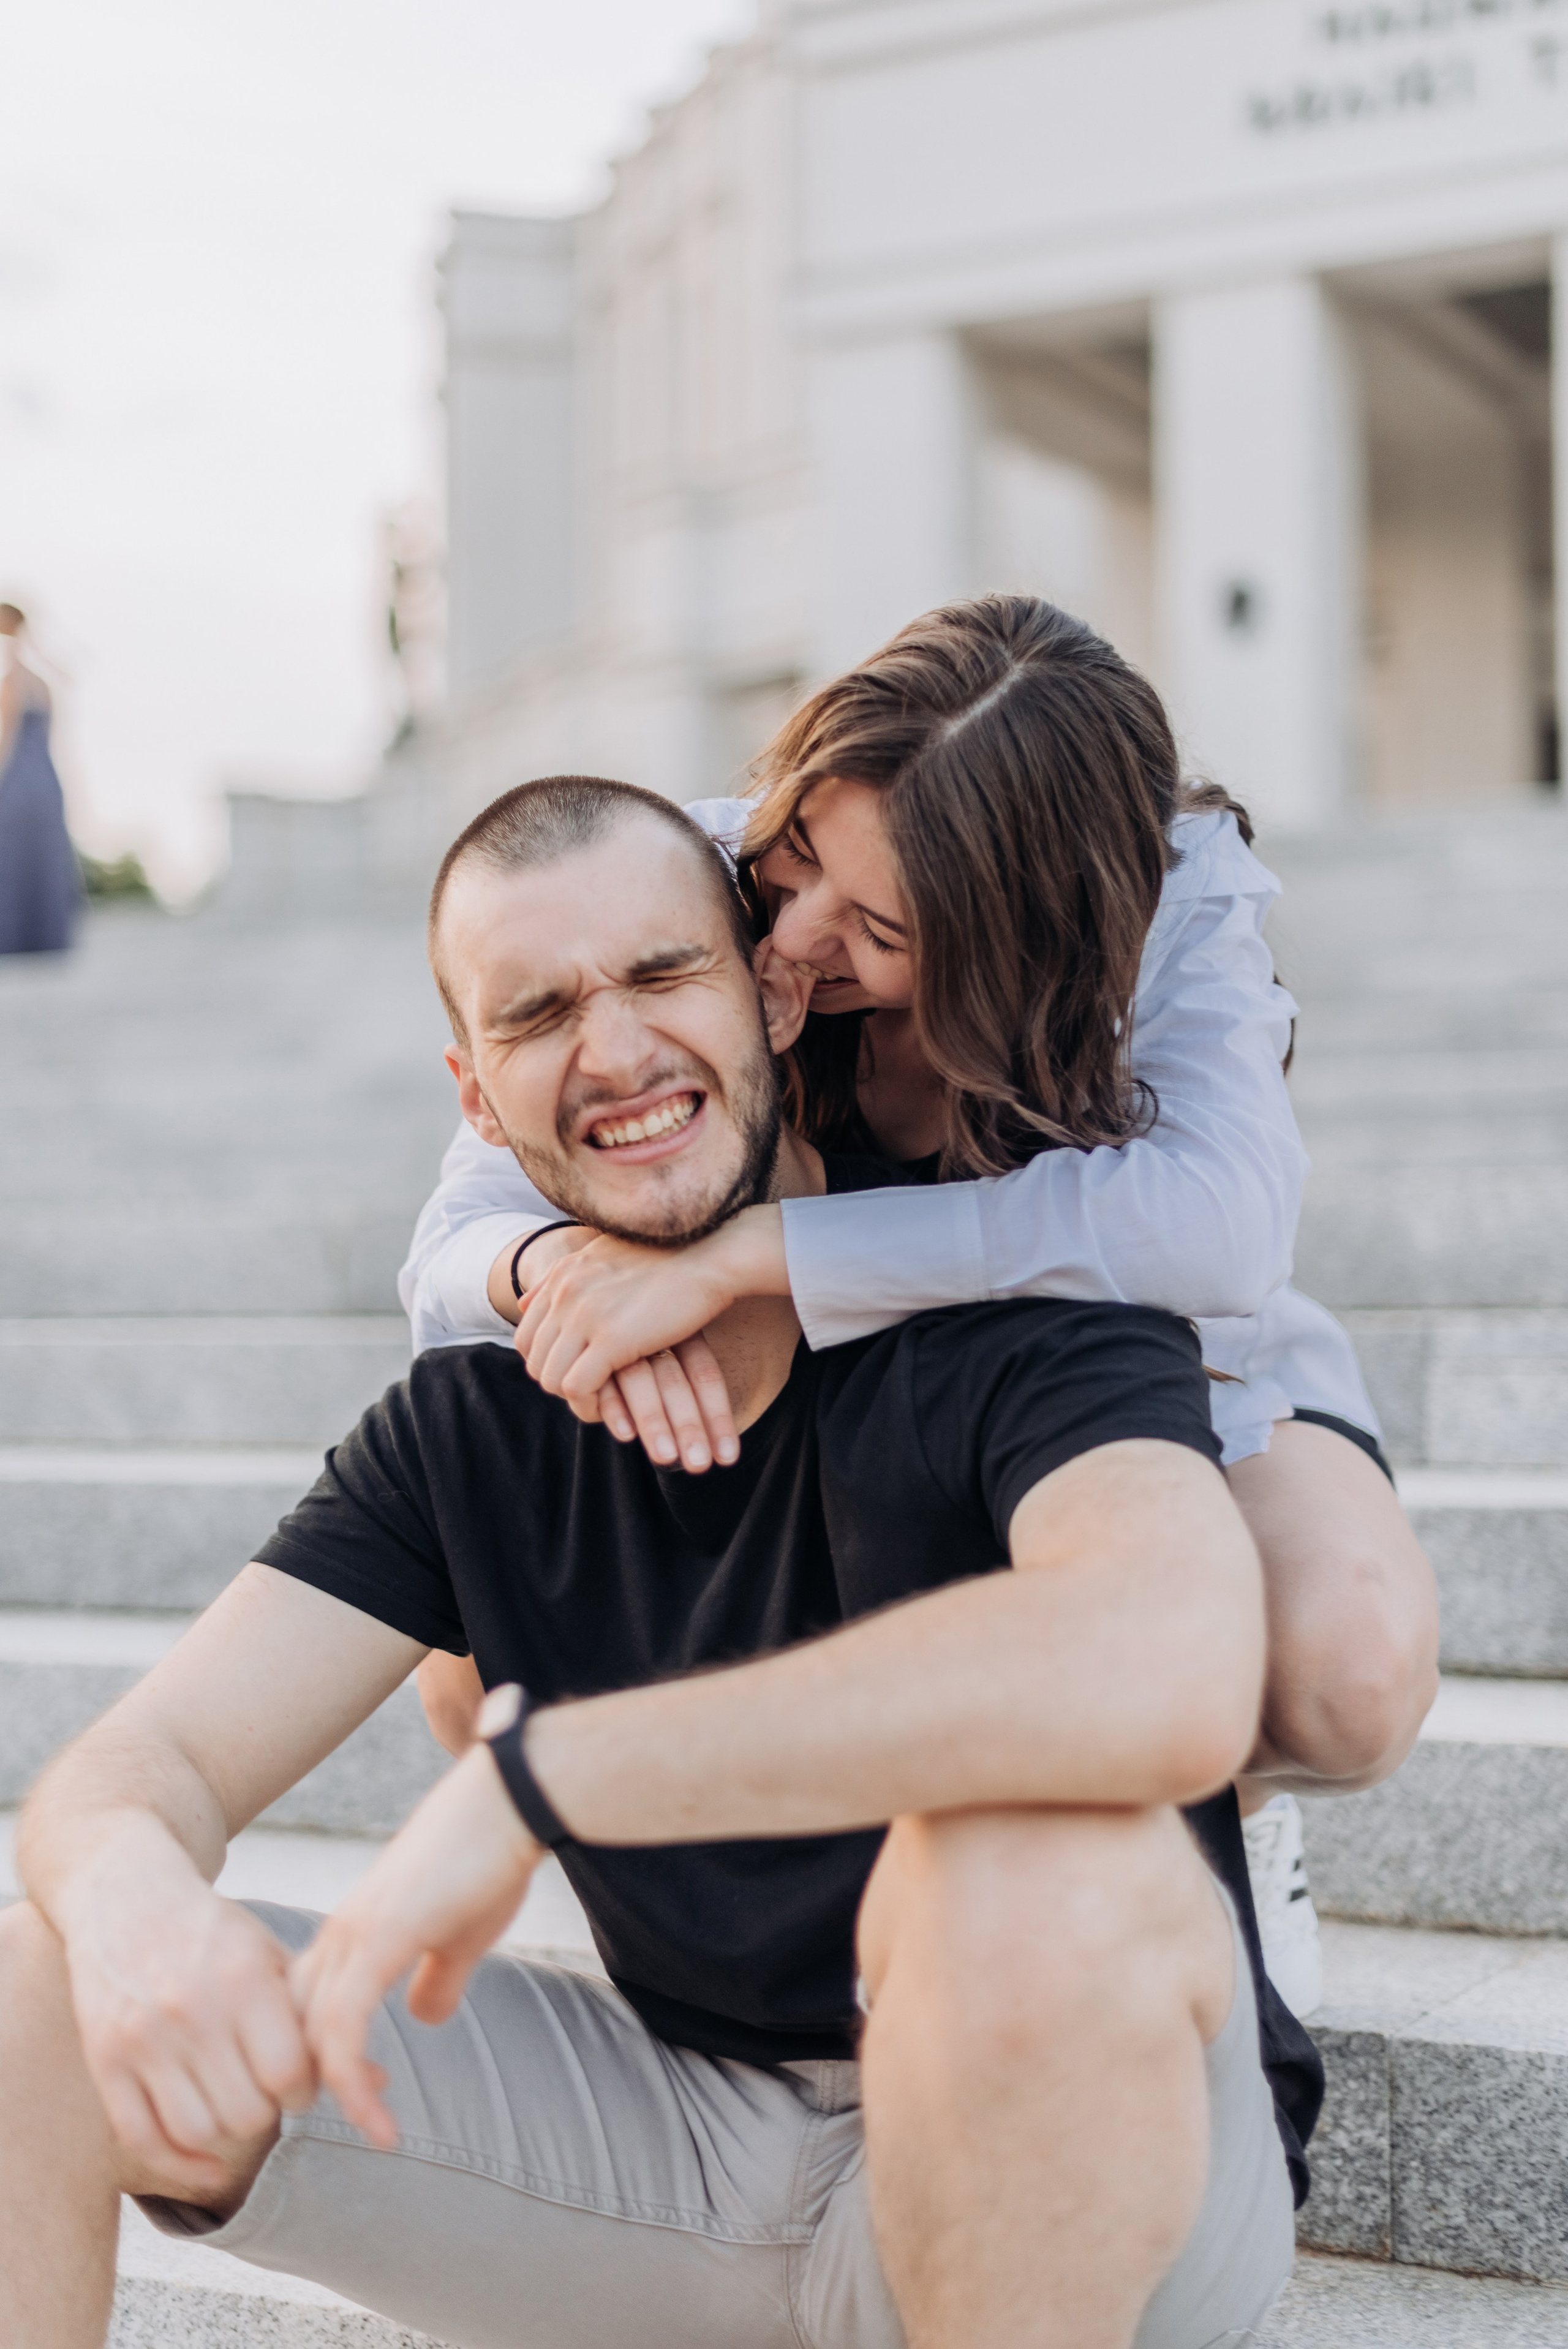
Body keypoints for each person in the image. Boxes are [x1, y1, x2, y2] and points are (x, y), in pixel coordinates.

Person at [0, 776, 1318, 2349]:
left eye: (657, 974)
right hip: (682, 2164)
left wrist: (543, 1774)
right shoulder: (477, 1412)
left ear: (770, 992)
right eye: (539, 1011)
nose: (612, 1052)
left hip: (1097, 2179)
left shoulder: (1017, 1302)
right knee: (51, 1940)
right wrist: (135, 1895)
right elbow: (144, 1757)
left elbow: (1164, 1664)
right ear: (476, 1097)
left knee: (1020, 1876)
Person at [402, 596, 1439, 2018]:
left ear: (1009, 942)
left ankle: (1228, 1823)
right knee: (474, 1654)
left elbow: (1217, 1226)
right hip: (835, 1394)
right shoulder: (701, 868)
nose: (795, 936)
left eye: (880, 927)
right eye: (803, 853)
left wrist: (750, 1252)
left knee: (1344, 1671)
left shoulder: (1165, 900)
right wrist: (558, 1274)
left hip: (1138, 1365)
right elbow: (454, 1235)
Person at [0, 603, 80, 956]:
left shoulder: (11, 682)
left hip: (17, 778)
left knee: (12, 852)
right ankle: (44, 938)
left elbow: (6, 737)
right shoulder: (42, 682)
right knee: (41, 853)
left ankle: (15, 939)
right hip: (45, 778)